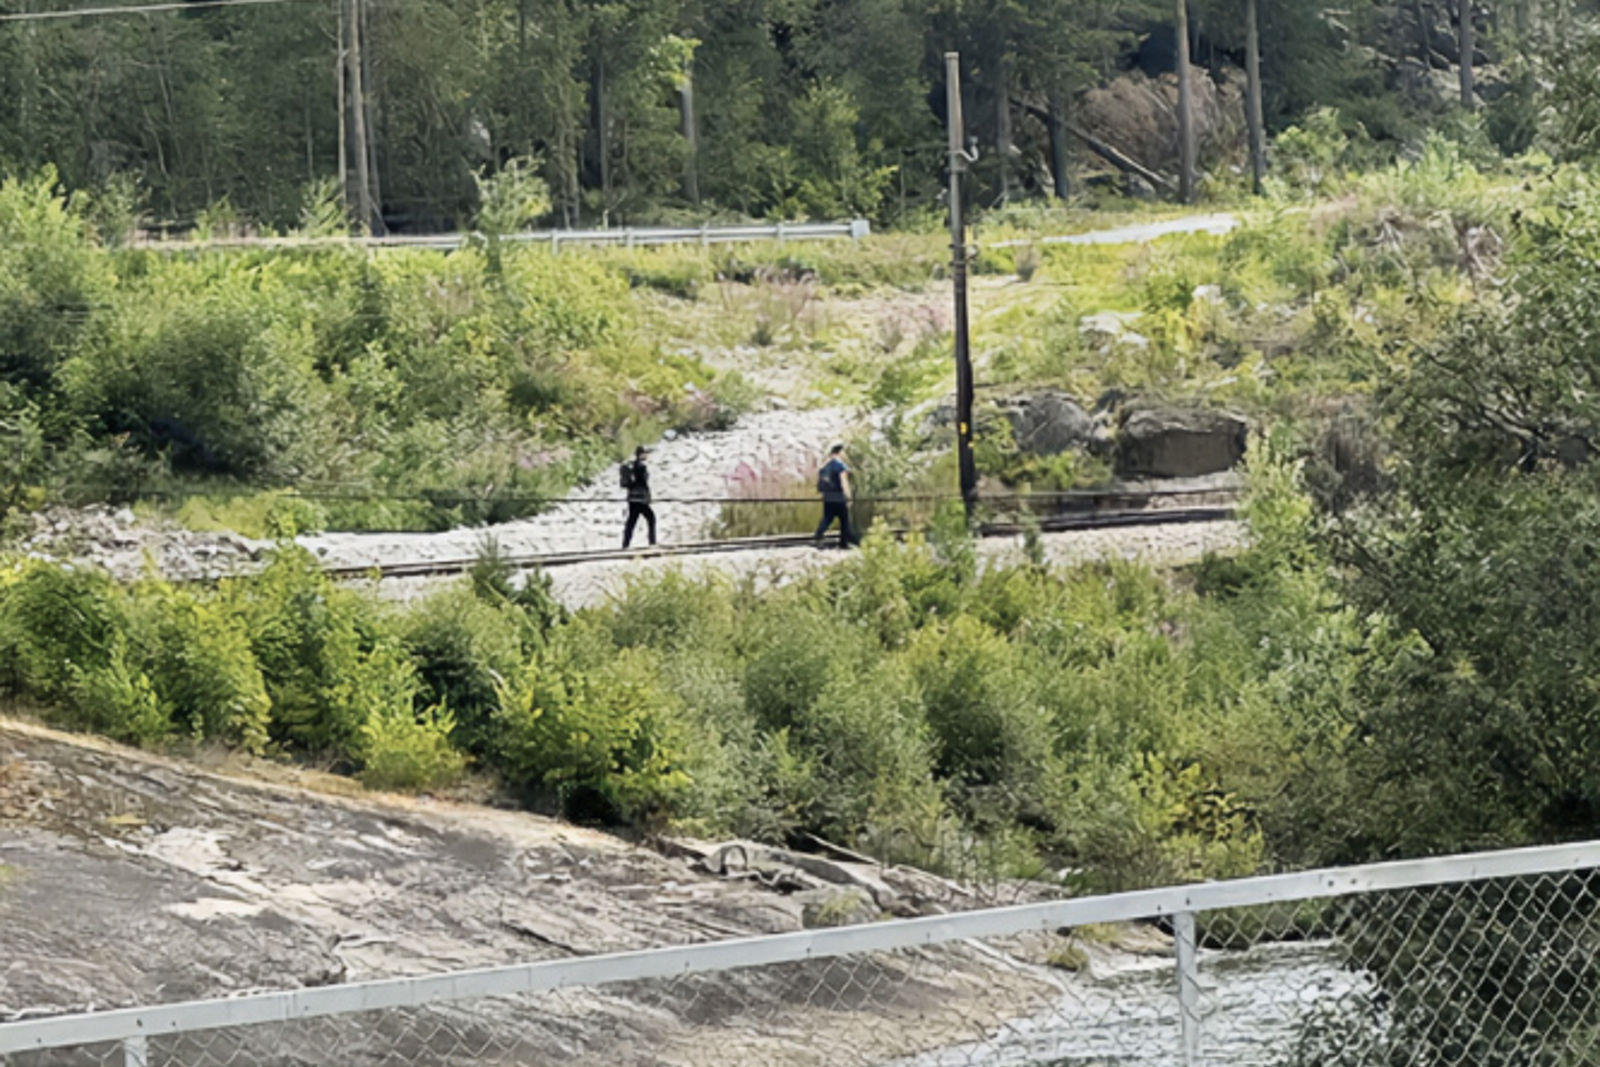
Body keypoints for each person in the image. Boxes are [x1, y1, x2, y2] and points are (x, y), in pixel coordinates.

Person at [813, 443, 856, 548]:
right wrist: (848, 496)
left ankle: (818, 535)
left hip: (827, 497)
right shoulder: (840, 466)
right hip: (839, 497)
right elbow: (843, 482)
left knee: (827, 518)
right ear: (840, 452)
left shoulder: (825, 466)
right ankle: (844, 543)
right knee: (844, 520)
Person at [620, 446, 657, 549]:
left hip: (632, 498)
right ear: (641, 454)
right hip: (641, 499)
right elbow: (643, 483)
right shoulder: (642, 467)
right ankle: (652, 542)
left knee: (631, 522)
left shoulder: (631, 466)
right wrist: (648, 497)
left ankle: (625, 544)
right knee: (651, 518)